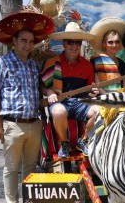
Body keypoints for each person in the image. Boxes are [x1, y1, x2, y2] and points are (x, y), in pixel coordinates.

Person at [0, 11, 55, 203]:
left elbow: (40, 89)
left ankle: (30, 202)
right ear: (14, 42)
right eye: (23, 40)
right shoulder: (2, 64)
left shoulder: (34, 66)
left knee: (30, 167)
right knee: (11, 168)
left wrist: (49, 94)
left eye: (30, 41)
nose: (27, 45)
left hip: (34, 124)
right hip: (12, 125)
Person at [41, 22, 99, 158]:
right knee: (59, 111)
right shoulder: (51, 63)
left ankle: (83, 140)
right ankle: (64, 142)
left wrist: (92, 92)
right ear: (64, 44)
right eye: (70, 42)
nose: (74, 46)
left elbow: (89, 90)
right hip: (60, 103)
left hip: (80, 103)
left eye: (77, 43)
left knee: (99, 111)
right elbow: (41, 87)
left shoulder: (88, 66)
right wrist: (49, 92)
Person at [89, 17, 125, 94]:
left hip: (119, 98)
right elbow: (97, 84)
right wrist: (108, 98)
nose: (114, 45)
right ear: (104, 44)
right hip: (103, 98)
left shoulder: (122, 63)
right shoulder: (97, 60)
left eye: (117, 42)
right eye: (110, 42)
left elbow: (124, 85)